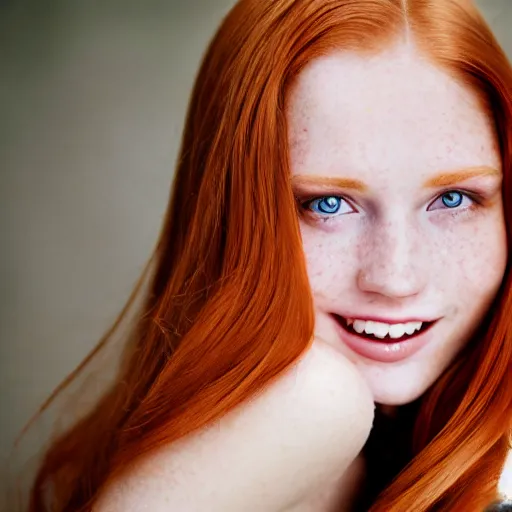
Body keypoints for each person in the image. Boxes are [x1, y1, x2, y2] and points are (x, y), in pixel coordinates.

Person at [24, 0, 512, 510]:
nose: (395, 277)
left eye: (453, 199)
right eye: (327, 204)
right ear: (231, 216)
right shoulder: (318, 402)